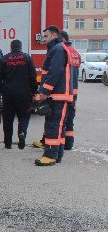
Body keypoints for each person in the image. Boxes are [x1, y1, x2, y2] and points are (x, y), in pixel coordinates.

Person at [34, 25, 73, 166]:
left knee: (53, 125)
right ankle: (57, 155)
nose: (44, 39)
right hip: (59, 95)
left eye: (46, 36)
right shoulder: (57, 49)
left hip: (58, 95)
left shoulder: (57, 49)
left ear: (54, 36)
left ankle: (50, 155)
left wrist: (44, 92)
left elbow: (55, 72)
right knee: (58, 127)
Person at [0, 39, 37, 150]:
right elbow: (33, 76)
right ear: (20, 47)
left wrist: (1, 90)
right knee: (24, 115)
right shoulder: (27, 58)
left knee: (8, 119)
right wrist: (34, 91)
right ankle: (22, 132)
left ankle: (8, 143)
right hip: (24, 93)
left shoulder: (4, 59)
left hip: (8, 93)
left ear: (11, 47)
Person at [61, 31, 80, 150]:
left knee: (61, 119)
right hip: (74, 91)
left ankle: (62, 143)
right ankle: (69, 143)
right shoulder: (76, 52)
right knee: (70, 117)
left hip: (65, 90)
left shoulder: (64, 51)